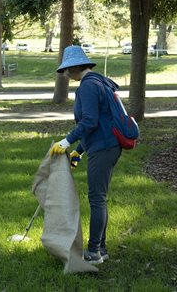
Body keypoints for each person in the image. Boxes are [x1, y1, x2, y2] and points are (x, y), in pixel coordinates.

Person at [50, 45, 122, 265]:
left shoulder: (88, 86)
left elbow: (89, 121)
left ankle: (93, 252)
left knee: (97, 199)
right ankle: (101, 248)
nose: (65, 75)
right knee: (100, 198)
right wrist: (79, 151)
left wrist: (66, 141)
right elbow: (98, 122)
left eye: (66, 70)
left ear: (74, 67)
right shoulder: (100, 81)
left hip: (104, 147)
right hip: (106, 145)